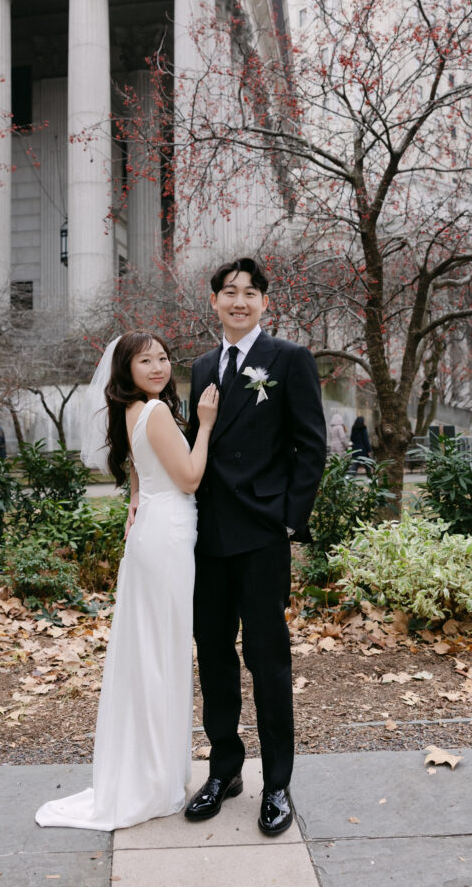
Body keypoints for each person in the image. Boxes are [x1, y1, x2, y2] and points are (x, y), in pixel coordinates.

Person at [35, 331, 218, 831]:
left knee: (152, 650)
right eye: (145, 360)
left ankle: (153, 768)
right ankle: (155, 776)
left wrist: (137, 494)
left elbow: (140, 467)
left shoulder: (136, 409)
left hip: (155, 530)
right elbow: (189, 478)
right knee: (162, 652)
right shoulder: (157, 412)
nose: (158, 366)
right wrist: (204, 426)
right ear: (127, 369)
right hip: (167, 537)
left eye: (162, 358)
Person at [185, 258, 327, 836]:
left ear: (265, 302)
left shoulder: (288, 359)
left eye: (250, 293)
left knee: (267, 660)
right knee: (214, 655)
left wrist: (289, 522)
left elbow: (310, 447)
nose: (238, 301)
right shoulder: (199, 367)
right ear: (214, 301)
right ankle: (224, 770)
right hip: (208, 536)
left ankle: (276, 783)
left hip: (262, 534)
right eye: (228, 293)